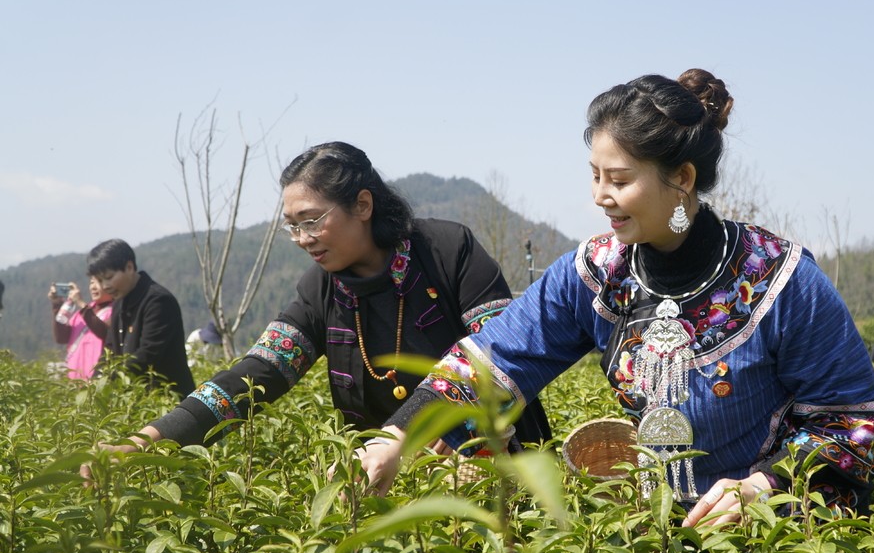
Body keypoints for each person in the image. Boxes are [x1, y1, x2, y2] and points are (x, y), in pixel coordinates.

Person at [363, 69, 874, 528]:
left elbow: (847, 422)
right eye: (594, 176)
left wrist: (759, 490)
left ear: (681, 179)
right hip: (649, 533)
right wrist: (396, 437)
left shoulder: (780, 278)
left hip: (771, 540)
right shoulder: (596, 272)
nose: (599, 196)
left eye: (619, 180)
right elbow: (491, 360)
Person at [89, 141, 549, 458]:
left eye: (311, 221)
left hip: (489, 460)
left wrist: (433, 428)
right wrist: (147, 441)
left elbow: (502, 353)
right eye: (292, 226)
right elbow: (258, 372)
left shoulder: (448, 250)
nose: (301, 238)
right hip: (387, 475)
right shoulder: (321, 289)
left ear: (363, 206)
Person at [88, 239, 195, 397]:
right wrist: (94, 384)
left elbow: (147, 355)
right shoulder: (119, 303)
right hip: (135, 399)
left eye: (109, 277)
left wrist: (109, 381)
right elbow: (109, 351)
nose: (105, 286)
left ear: (129, 267)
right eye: (100, 280)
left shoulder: (158, 301)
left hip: (167, 401)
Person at [49, 276, 114, 380]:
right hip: (75, 380)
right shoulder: (82, 313)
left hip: (98, 380)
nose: (93, 287)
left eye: (99, 282)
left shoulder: (115, 311)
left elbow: (104, 331)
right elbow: (61, 338)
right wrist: (57, 305)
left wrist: (81, 303)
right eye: (92, 283)